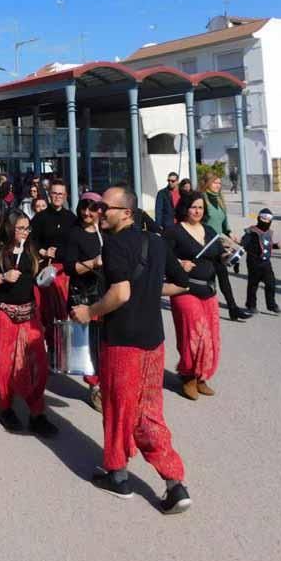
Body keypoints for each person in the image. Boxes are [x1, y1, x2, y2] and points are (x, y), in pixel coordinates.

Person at [70, 186, 192, 514]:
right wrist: (149, 291)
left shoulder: (112, 246)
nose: (97, 212)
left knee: (121, 409)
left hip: (123, 342)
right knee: (148, 408)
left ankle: (132, 475)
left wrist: (90, 312)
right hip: (154, 341)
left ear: (126, 212)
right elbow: (181, 283)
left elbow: (121, 293)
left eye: (104, 208)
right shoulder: (156, 241)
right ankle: (158, 478)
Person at [0, 211, 57, 437]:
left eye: (27, 228)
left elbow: (33, 277)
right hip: (3, 312)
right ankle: (6, 407)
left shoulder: (30, 249)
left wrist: (45, 274)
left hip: (29, 312)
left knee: (37, 363)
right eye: (21, 228)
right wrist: (3, 277)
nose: (26, 232)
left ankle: (37, 412)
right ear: (9, 228)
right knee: (5, 363)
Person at [164, 194, 221, 400]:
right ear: (185, 208)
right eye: (193, 207)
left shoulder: (210, 231)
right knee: (196, 335)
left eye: (200, 207)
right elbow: (162, 256)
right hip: (184, 290)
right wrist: (179, 263)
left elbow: (218, 257)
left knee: (211, 338)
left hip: (209, 290)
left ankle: (201, 376)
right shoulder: (174, 232)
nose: (197, 211)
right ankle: (188, 375)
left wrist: (227, 255)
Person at [61, 193, 105, 411]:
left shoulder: (105, 231)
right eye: (83, 208)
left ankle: (106, 380)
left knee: (104, 339)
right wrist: (94, 263)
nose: (86, 213)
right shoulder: (74, 234)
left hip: (105, 291)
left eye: (91, 208)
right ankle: (94, 386)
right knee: (88, 341)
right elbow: (70, 266)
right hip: (84, 292)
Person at [199, 171, 249, 321]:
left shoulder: (220, 199)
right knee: (209, 277)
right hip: (205, 244)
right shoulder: (203, 199)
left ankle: (233, 309)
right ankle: (205, 308)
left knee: (223, 276)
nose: (218, 185)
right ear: (208, 183)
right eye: (215, 182)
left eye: (220, 183)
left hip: (219, 244)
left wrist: (231, 233)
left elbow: (223, 221)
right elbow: (197, 221)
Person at [30, 179, 76, 342]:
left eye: (60, 194)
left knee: (63, 311)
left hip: (63, 272)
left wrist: (61, 252)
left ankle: (62, 345)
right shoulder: (40, 218)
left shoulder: (71, 218)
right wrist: (43, 251)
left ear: (65, 196)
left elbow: (75, 244)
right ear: (50, 195)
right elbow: (30, 241)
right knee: (45, 311)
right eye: (54, 193)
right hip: (44, 270)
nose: (57, 197)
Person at [242, 209, 281, 315]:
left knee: (271, 283)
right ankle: (251, 305)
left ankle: (271, 305)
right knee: (253, 285)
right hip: (253, 262)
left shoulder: (269, 232)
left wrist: (275, 246)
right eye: (263, 219)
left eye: (268, 220)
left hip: (266, 263)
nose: (265, 222)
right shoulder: (251, 231)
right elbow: (243, 245)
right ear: (259, 218)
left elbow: (266, 244)